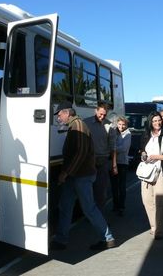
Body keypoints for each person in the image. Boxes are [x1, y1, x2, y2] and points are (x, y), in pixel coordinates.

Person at [51, 101, 115, 251]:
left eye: (59, 115)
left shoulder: (78, 126)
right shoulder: (76, 125)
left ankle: (108, 238)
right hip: (76, 176)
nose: (59, 118)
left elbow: (80, 153)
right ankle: (61, 240)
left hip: (81, 175)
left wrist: (65, 173)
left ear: (67, 113)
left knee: (89, 208)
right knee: (65, 206)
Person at [139, 111, 163, 240]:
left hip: (161, 171)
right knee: (147, 200)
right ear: (150, 122)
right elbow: (142, 150)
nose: (157, 123)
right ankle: (154, 226)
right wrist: (143, 155)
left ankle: (159, 230)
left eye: (159, 120)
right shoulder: (145, 135)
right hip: (147, 172)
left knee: (159, 201)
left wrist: (157, 157)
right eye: (154, 121)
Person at [84, 103, 117, 209]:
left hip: (103, 161)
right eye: (100, 114)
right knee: (88, 189)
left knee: (101, 191)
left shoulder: (109, 125)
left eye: (104, 115)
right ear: (96, 111)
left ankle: (100, 216)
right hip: (88, 161)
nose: (102, 117)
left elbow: (113, 147)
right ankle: (90, 214)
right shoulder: (86, 123)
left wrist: (114, 165)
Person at [110, 116, 131, 216]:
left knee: (121, 186)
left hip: (122, 163)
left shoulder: (128, 134)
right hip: (114, 162)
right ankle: (115, 205)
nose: (121, 126)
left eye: (123, 125)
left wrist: (113, 149)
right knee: (114, 186)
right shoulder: (115, 132)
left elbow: (123, 148)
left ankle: (121, 206)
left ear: (126, 125)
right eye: (119, 124)